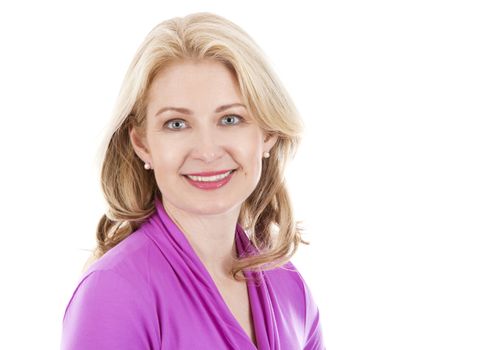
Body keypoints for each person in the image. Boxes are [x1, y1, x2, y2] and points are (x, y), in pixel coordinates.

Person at [61, 12, 325, 350]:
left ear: (268, 134)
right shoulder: (114, 292)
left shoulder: (291, 288)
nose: (207, 150)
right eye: (176, 124)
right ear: (142, 143)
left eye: (230, 119)